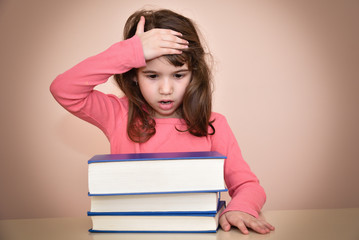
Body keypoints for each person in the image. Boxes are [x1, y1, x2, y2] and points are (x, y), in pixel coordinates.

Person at [50, 9, 275, 235]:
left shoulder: (213, 124)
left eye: (178, 75)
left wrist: (240, 208)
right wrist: (130, 52)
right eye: (152, 75)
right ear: (133, 76)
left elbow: (248, 186)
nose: (165, 90)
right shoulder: (117, 114)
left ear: (194, 74)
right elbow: (63, 89)